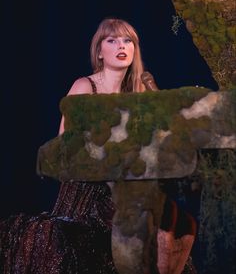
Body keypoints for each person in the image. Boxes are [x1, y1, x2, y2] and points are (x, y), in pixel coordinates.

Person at [0, 18, 196, 273]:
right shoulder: (85, 86)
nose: (121, 46)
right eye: (112, 40)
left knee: (185, 228)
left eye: (128, 41)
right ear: (99, 52)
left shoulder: (138, 94)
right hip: (89, 190)